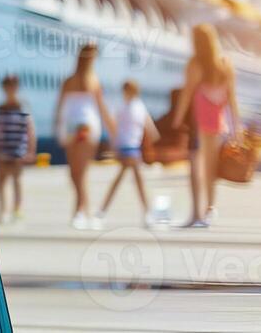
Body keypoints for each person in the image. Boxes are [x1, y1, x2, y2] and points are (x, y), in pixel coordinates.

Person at [172, 23, 240, 227]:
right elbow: (232, 99)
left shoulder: (195, 64)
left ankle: (195, 215)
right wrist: (237, 126)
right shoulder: (225, 64)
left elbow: (186, 93)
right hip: (217, 122)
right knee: (210, 169)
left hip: (198, 122)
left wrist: (177, 118)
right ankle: (209, 209)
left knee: (195, 169)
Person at [55, 42, 115, 229]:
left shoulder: (83, 81)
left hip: (83, 128)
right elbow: (101, 108)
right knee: (76, 172)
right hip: (80, 127)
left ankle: (80, 210)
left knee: (78, 172)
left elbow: (62, 108)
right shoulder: (88, 80)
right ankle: (84, 208)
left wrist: (113, 130)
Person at [98, 80, 160, 225]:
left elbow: (114, 127)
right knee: (138, 182)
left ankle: (103, 210)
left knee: (121, 181)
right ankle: (147, 212)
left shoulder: (123, 107)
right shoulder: (138, 107)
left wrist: (114, 145)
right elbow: (152, 130)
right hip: (132, 148)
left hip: (125, 147)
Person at [0, 75, 35, 224]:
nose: (10, 89)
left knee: (17, 179)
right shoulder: (0, 108)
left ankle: (17, 209)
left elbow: (30, 130)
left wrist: (30, 150)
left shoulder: (23, 107)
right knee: (1, 180)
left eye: (12, 85)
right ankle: (2, 209)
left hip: (18, 148)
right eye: (7, 86)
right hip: (4, 148)